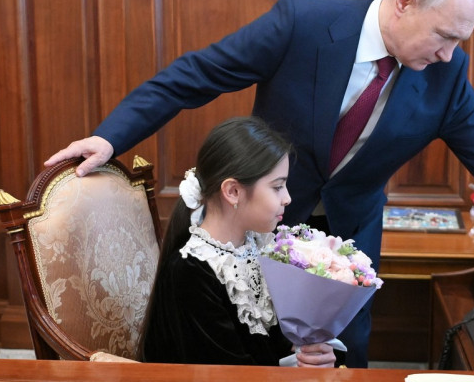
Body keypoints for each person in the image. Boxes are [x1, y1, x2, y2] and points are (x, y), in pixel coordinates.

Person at [46, 0, 474, 368]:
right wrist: (111, 138)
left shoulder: (446, 77)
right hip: (258, 228)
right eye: (445, 35)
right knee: (250, 357)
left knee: (341, 362)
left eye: (461, 41)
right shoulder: (301, 24)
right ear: (404, 2)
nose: (451, 54)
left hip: (347, 246)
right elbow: (196, 75)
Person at [138, 116, 336, 367]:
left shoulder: (259, 246)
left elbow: (276, 345)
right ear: (232, 191)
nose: (287, 198)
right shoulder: (191, 270)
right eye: (277, 187)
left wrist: (312, 357)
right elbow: (227, 370)